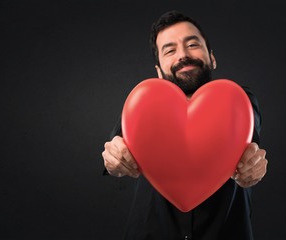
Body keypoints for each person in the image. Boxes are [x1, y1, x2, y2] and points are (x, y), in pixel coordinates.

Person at [102, 10, 268, 240]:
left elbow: (250, 140)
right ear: (158, 71)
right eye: (170, 50)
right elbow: (121, 135)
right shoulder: (144, 104)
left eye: (192, 44)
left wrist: (253, 165)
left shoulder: (240, 99)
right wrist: (114, 156)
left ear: (212, 57)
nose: (183, 55)